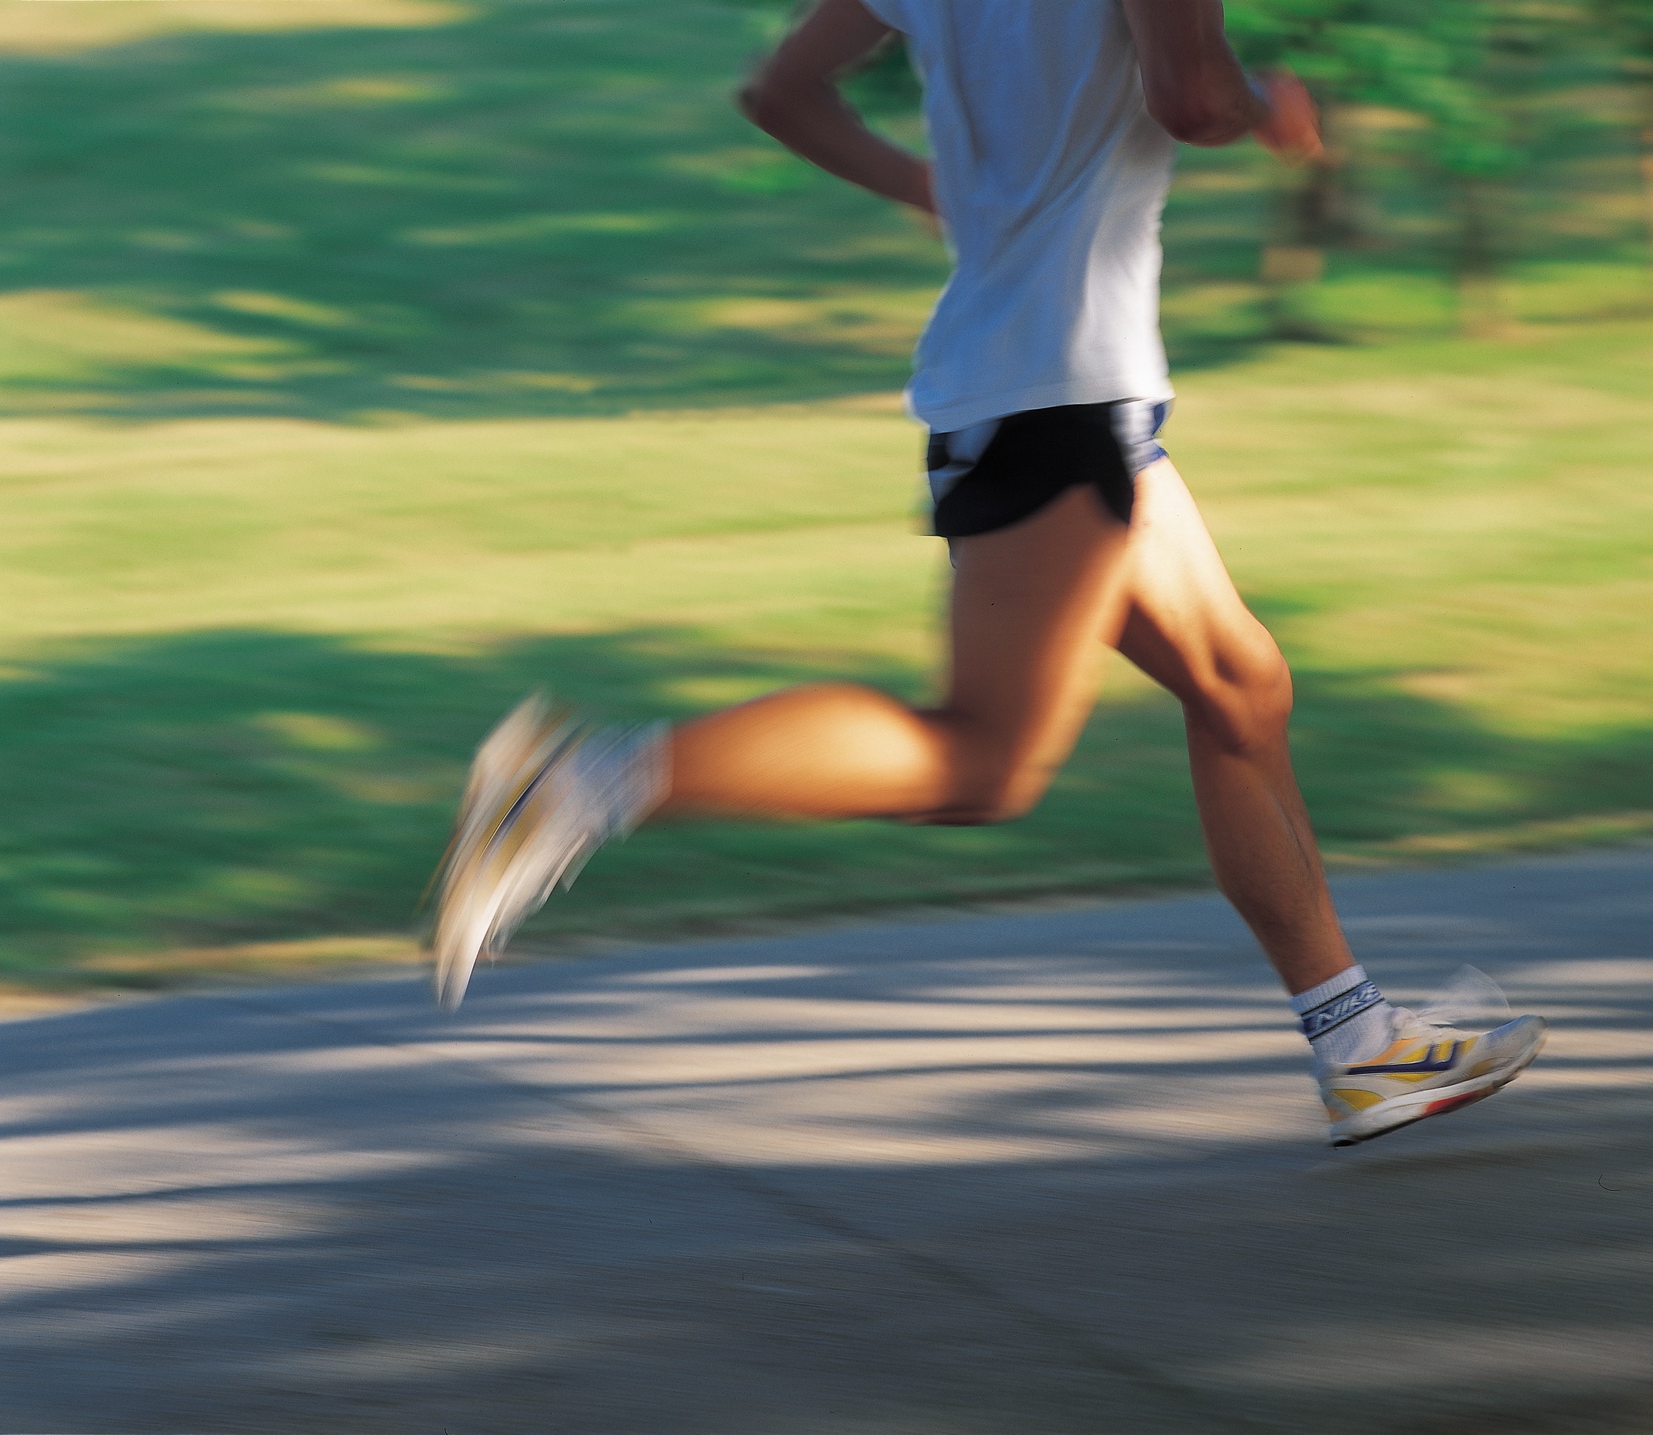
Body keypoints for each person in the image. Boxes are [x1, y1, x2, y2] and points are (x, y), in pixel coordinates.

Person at [427, 0, 1547, 1146]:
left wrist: (943, 191)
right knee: (982, 761)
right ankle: (577, 786)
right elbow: (1192, 97)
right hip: (1057, 394)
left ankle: (1359, 1044)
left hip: (1042, 383)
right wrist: (1276, 111)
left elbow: (781, 91)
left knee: (1242, 686)